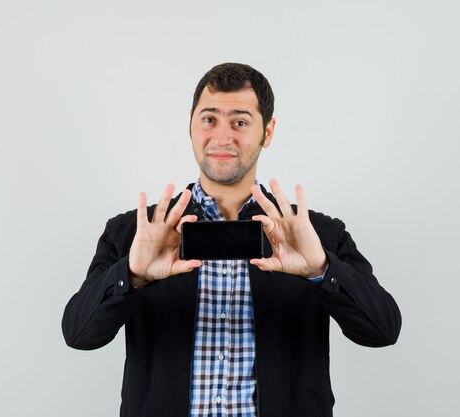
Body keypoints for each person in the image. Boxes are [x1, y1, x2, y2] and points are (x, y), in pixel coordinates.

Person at [61, 63, 401, 417]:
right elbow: (79, 333)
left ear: (267, 132)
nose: (222, 138)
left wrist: (321, 269)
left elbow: (382, 329)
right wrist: (132, 276)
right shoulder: (136, 233)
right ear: (191, 125)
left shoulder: (315, 234)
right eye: (209, 120)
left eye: (240, 122)